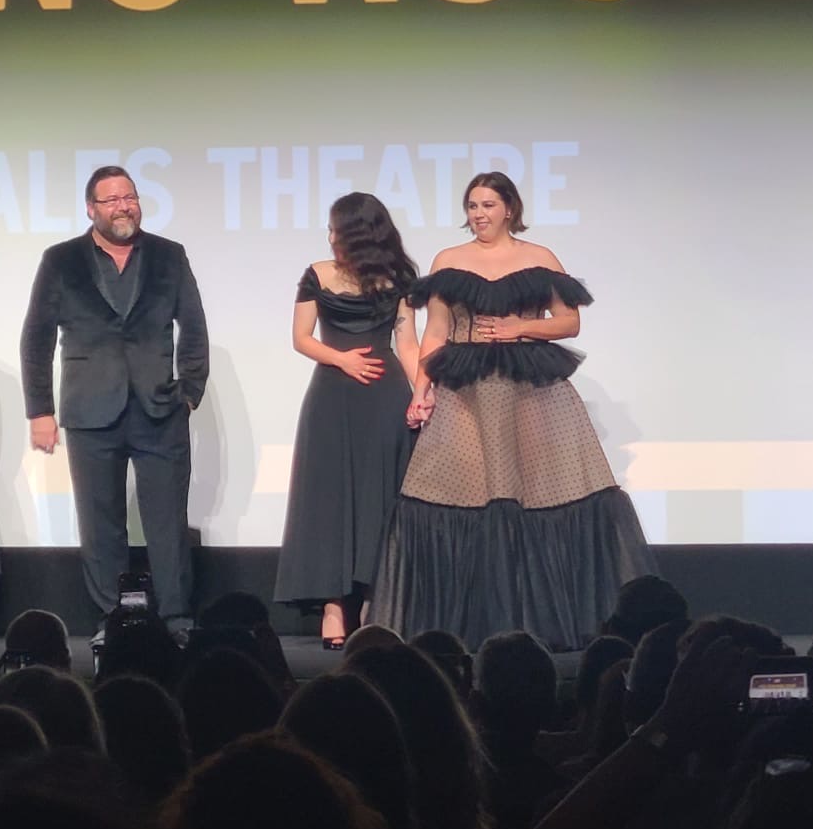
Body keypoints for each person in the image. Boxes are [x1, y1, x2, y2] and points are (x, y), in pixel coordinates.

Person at [373, 171, 655, 650]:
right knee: (460, 496)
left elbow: (569, 321)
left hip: (529, 390)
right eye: (472, 206)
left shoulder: (539, 257)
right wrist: (422, 390)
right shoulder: (449, 260)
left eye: (487, 205)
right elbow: (435, 332)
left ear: (509, 209)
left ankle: (538, 623)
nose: (478, 214)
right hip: (466, 391)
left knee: (536, 496)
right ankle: (475, 626)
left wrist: (518, 327)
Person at [21, 166, 209, 638]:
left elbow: (194, 324)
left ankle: (175, 619)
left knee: (167, 522)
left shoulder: (168, 255)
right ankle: (112, 618)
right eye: (112, 200)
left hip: (159, 408)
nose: (124, 206)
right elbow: (37, 337)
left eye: (130, 197)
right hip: (90, 409)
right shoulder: (61, 259)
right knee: (100, 523)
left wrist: (190, 390)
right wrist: (40, 410)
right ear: (91, 209)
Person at [274, 193, 421, 648]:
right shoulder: (317, 274)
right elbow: (301, 338)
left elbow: (408, 344)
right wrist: (342, 359)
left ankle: (375, 600)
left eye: (335, 227)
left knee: (380, 495)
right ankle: (334, 606)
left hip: (384, 396)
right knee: (328, 497)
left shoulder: (400, 278)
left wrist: (422, 392)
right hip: (332, 397)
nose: (330, 236)